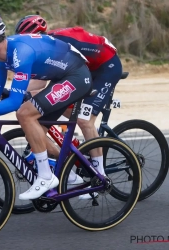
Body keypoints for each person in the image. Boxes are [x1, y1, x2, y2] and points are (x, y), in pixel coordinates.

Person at [0, 12, 93, 200]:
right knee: (35, 128)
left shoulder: (21, 53)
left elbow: (13, 102)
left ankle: (46, 176)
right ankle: (70, 175)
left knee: (25, 113)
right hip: (60, 76)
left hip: (76, 76)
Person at [15, 15, 123, 198]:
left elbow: (39, 85)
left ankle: (99, 176)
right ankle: (67, 168)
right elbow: (37, 83)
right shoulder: (42, 48)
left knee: (84, 119)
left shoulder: (56, 44)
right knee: (38, 126)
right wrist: (13, 92)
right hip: (79, 70)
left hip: (106, 66)